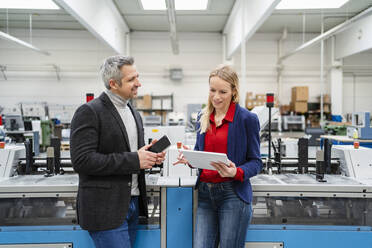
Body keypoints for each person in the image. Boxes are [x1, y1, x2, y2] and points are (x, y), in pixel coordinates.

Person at [70, 55, 166, 248]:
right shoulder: (90, 111)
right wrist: (135, 160)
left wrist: (148, 156)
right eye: (131, 79)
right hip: (105, 208)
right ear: (113, 83)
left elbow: (130, 153)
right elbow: (82, 160)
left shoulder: (133, 112)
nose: (138, 83)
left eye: (137, 77)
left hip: (132, 204)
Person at [174, 65, 262, 248]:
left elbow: (256, 162)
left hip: (233, 194)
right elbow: (201, 152)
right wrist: (191, 159)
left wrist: (236, 172)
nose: (216, 96)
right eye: (213, 90)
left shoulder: (247, 119)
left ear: (233, 91)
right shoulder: (203, 116)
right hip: (206, 193)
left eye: (222, 91)